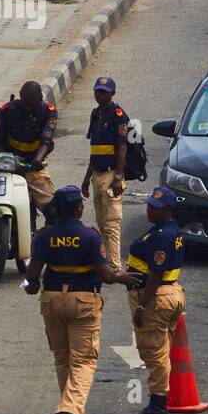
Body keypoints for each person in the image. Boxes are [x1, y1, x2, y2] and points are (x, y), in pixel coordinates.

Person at [24, 185, 138, 414]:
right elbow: (106, 276)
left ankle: (68, 409)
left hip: (52, 300)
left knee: (62, 357)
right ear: (78, 209)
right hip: (83, 301)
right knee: (84, 360)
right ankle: (72, 412)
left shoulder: (44, 236)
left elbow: (32, 275)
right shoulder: (90, 236)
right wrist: (124, 278)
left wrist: (33, 285)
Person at [125, 186, 187, 414]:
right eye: (150, 204)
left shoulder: (162, 236)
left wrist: (142, 305)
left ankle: (158, 404)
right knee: (160, 349)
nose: (150, 209)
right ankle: (160, 398)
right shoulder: (167, 230)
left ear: (168, 210)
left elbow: (156, 273)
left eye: (156, 208)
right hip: (168, 294)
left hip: (155, 297)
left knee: (154, 352)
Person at [81, 76, 130, 271]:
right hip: (97, 175)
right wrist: (86, 180)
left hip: (111, 176)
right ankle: (105, 260)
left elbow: (122, 147)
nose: (99, 94)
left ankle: (115, 265)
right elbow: (95, 151)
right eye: (97, 91)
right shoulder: (96, 114)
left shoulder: (118, 115)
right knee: (101, 222)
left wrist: (118, 177)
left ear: (112, 94)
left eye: (104, 92)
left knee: (111, 223)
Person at [0, 81, 58, 214]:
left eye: (31, 104)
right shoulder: (8, 110)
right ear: (20, 96)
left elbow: (46, 139)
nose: (27, 107)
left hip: (33, 167)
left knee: (53, 212)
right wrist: (4, 157)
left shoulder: (48, 112)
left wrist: (38, 160)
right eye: (24, 103)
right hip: (8, 166)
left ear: (40, 99)